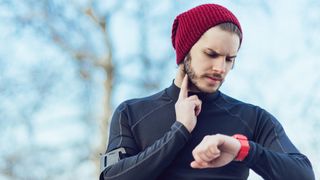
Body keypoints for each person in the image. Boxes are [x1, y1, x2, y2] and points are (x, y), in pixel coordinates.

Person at [99, 3, 315, 180]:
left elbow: (303, 174)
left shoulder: (253, 118)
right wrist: (179, 131)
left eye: (230, 59)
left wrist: (242, 149)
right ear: (185, 52)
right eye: (211, 54)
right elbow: (111, 177)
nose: (221, 68)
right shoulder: (131, 113)